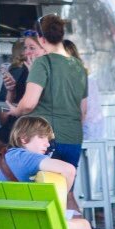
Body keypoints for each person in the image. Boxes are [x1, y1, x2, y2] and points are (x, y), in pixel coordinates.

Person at [9, 15, 87, 170]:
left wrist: (15, 110)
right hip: (73, 138)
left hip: (46, 138)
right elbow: (83, 110)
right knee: (65, 190)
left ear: (40, 38)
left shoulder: (42, 62)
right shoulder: (78, 65)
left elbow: (29, 104)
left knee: (43, 190)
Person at [65, 40, 105, 142]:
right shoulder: (83, 76)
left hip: (87, 128)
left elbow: (83, 111)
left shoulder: (78, 78)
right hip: (92, 126)